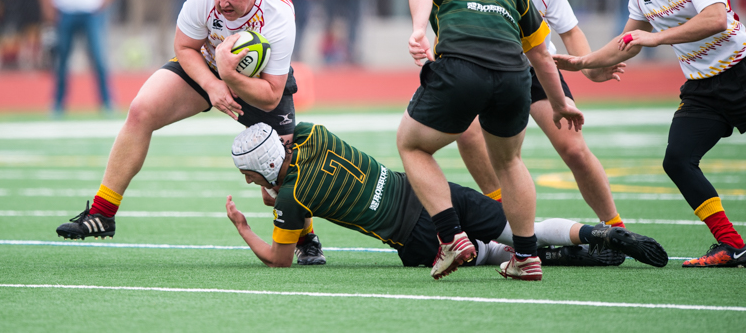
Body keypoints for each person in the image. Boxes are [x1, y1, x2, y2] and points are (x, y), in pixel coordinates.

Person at [54, 0, 326, 264]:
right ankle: (102, 213)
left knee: (278, 176)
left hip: (259, 83)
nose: (222, 2)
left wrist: (228, 77)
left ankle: (307, 239)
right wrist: (213, 85)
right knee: (141, 111)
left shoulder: (279, 12)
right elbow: (184, 46)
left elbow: (271, 94)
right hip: (205, 65)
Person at [555, 0, 746, 267]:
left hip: (742, 71)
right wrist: (583, 64)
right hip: (703, 89)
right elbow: (625, 44)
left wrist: (657, 38)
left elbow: (716, 19)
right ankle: (732, 245)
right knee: (677, 160)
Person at [398, 0, 584, 281]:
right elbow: (540, 55)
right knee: (510, 162)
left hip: (462, 65)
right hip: (515, 76)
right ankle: (527, 257)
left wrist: (419, 29)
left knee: (413, 145)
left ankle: (451, 237)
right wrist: (561, 102)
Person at [226, 122, 668, 272]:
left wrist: (245, 228)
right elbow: (284, 144)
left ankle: (561, 259)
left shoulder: (292, 196)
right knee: (517, 227)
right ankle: (594, 232)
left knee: (493, 253)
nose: (248, 181)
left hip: (413, 235)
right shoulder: (314, 134)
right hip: (429, 191)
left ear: (264, 169)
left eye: (249, 174)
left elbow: (280, 258)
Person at [454, 0, 626, 228]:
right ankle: (502, 218)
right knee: (466, 132)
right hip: (483, 70)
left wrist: (589, 67)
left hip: (535, 70)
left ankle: (615, 228)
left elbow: (570, 31)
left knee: (573, 149)